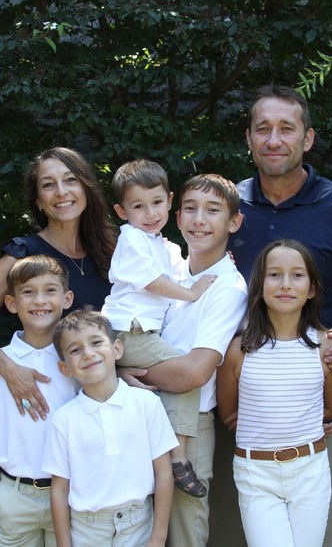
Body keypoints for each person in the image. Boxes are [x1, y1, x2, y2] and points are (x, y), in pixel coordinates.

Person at [228, 84, 332, 546]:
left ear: (308, 138)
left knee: (326, 538)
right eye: (263, 129)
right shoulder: (226, 207)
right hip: (240, 418)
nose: (273, 140)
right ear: (248, 138)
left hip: (318, 420)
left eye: (286, 128)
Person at [119, 173, 248, 547]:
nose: (199, 219)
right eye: (190, 208)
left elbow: (194, 372)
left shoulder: (228, 287)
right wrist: (122, 372)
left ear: (234, 222)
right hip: (141, 412)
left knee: (185, 532)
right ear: (176, 216)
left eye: (213, 210)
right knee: (135, 526)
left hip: (188, 428)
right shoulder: (168, 269)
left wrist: (126, 368)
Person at [0, 147, 117, 420]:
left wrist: (127, 367)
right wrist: (10, 370)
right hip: (51, 399)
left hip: (106, 398)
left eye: (70, 180)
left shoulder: (111, 252)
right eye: (48, 185)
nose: (61, 192)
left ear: (86, 188)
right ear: (39, 201)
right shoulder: (24, 253)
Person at [217, 239, 332, 547]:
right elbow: (229, 413)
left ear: (312, 288)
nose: (286, 284)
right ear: (259, 286)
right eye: (274, 275)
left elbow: (329, 410)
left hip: (310, 471)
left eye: (297, 275)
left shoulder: (326, 346)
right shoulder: (237, 351)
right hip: (256, 473)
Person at [102, 159, 216, 498]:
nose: (150, 213)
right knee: (189, 372)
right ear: (122, 211)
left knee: (180, 379)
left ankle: (166, 453)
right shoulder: (132, 239)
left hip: (142, 334)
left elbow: (185, 273)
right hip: (129, 331)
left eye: (156, 203)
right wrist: (192, 294)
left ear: (169, 201)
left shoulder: (165, 246)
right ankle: (177, 458)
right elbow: (153, 282)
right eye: (138, 206)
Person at [0, 255, 78, 547]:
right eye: (28, 292)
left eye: (50, 290)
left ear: (67, 299)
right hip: (14, 496)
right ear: (11, 303)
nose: (40, 300)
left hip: (71, 493)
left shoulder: (77, 360)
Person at [43, 309, 178, 547]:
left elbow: (163, 472)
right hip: (86, 532)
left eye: (96, 342)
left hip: (140, 526)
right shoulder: (64, 420)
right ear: (65, 368)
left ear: (117, 349)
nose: (88, 353)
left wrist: (158, 537)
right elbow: (59, 490)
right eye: (75, 350)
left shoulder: (146, 404)